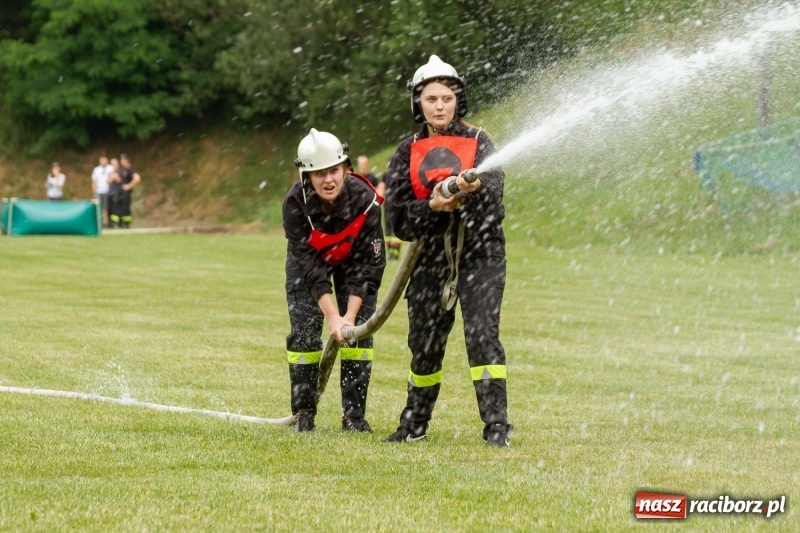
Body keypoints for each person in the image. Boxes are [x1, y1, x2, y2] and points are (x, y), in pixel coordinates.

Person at [383, 55, 513, 447]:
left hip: (481, 254)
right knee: (424, 342)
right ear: (417, 104)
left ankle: (496, 428)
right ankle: (414, 424)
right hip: (428, 258)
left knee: (482, 338)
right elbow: (398, 221)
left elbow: (496, 203)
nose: (440, 106)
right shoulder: (407, 151)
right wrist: (432, 207)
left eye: (447, 98)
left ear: (459, 100)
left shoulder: (478, 142)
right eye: (431, 99)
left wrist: (470, 196)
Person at [282, 128, 386, 433]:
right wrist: (332, 316)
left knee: (358, 335)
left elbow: (366, 266)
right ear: (306, 177)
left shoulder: (366, 199)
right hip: (311, 263)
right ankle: (303, 411)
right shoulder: (294, 204)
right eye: (318, 173)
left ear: (346, 168)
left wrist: (348, 318)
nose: (328, 179)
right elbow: (310, 269)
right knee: (304, 333)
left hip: (353, 262)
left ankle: (354, 417)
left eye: (334, 171)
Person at [109, 154, 141, 228]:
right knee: (118, 209)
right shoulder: (121, 170)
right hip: (120, 194)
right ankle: (118, 224)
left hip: (126, 194)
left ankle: (125, 224)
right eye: (121, 160)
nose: (122, 161)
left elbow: (137, 178)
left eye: (123, 160)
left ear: (127, 160)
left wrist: (129, 186)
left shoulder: (130, 169)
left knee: (125, 210)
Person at [91, 155, 114, 226]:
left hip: (108, 191)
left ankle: (106, 222)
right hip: (99, 191)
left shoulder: (111, 168)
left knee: (106, 207)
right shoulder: (96, 169)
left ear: (107, 160)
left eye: (104, 160)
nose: (103, 161)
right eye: (102, 160)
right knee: (98, 207)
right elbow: (94, 181)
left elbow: (113, 177)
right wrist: (94, 191)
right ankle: (99, 222)